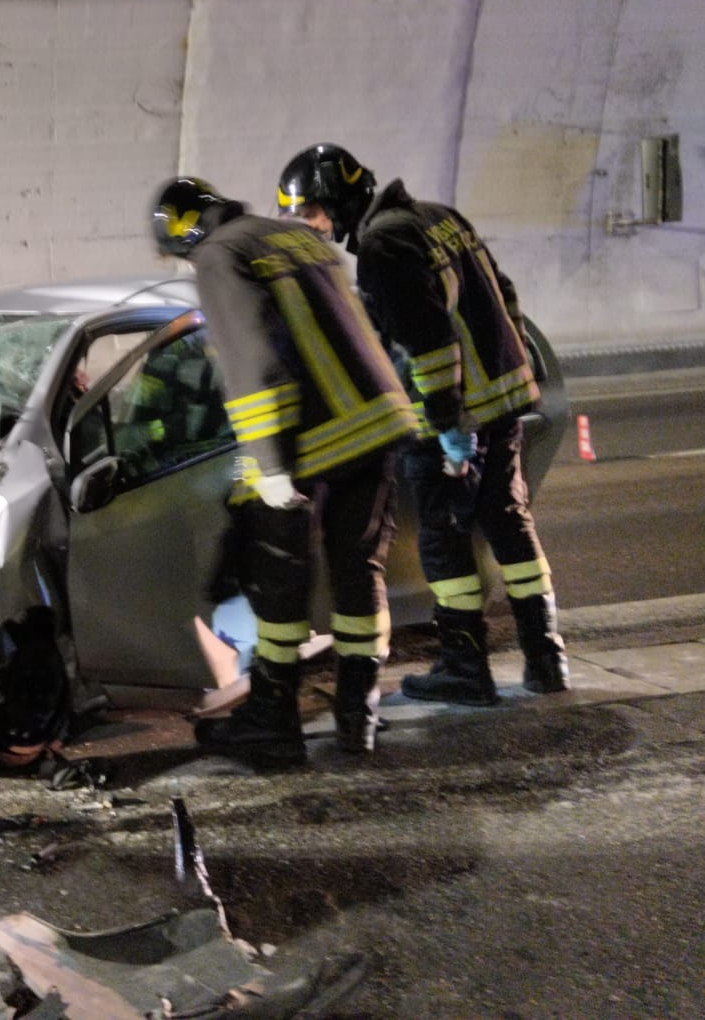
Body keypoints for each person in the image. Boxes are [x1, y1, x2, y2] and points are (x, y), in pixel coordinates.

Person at [276, 144, 569, 705]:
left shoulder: (384, 247)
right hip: (501, 397)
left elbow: (428, 347)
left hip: (454, 413)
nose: (313, 227)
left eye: (312, 213)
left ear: (337, 201)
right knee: (509, 520)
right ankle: (546, 655)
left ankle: (465, 667)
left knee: (444, 536)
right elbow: (503, 293)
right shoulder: (438, 218)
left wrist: (446, 427)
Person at [152, 177, 419, 764]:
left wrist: (268, 466)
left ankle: (272, 723)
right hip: (375, 425)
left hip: (310, 442)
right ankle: (358, 717)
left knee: (278, 583)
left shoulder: (221, 255)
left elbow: (252, 358)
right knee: (359, 575)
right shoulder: (300, 240)